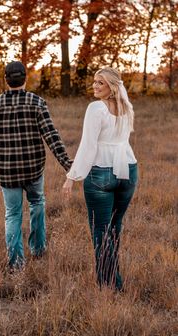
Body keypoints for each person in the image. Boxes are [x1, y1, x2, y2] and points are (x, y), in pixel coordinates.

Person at [0, 61, 72, 271]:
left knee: (12, 214)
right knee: (37, 204)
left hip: (7, 173)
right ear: (25, 78)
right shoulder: (37, 102)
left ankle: (16, 264)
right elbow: (51, 136)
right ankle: (39, 250)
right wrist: (67, 164)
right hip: (33, 170)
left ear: (6, 79)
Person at [63, 67, 138, 291]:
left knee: (101, 232)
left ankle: (109, 285)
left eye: (101, 83)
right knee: (114, 228)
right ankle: (115, 280)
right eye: (95, 81)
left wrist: (72, 177)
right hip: (128, 169)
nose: (95, 86)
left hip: (102, 171)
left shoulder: (96, 108)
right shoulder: (127, 108)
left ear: (112, 87)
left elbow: (88, 145)